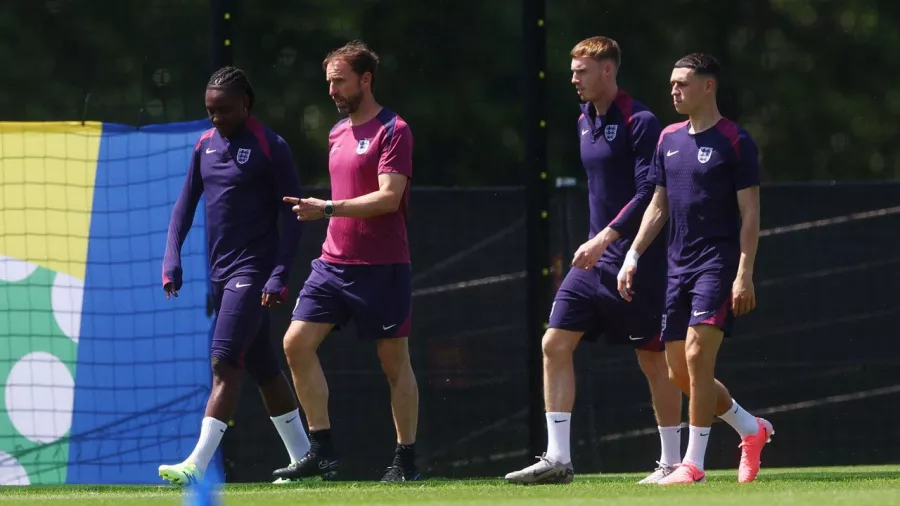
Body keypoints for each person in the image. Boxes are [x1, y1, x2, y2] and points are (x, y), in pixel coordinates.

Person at [504, 36, 683, 486]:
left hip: (635, 260)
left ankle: (672, 462)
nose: (573, 79)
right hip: (592, 263)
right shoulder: (584, 118)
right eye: (572, 71)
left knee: (653, 359)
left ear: (608, 70)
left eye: (582, 71)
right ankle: (558, 458)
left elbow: (648, 195)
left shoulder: (640, 120)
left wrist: (609, 239)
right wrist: (597, 244)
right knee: (554, 344)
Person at [618, 53, 773, 485]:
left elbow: (750, 216)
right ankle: (750, 428)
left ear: (708, 86)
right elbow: (658, 204)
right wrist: (632, 255)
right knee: (679, 372)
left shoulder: (736, 141)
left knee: (697, 356)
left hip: (717, 264)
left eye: (683, 83)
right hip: (676, 267)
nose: (674, 90)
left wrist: (745, 272)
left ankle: (693, 464)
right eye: (671, 83)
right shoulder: (667, 137)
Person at [272, 40, 420, 483]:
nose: (332, 90)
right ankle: (323, 451)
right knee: (295, 344)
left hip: (382, 268)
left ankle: (406, 461)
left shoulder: (395, 129)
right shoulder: (337, 132)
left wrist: (328, 208)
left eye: (339, 81)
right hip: (332, 264)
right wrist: (328, 214)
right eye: (329, 82)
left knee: (394, 364)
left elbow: (389, 198)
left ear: (365, 79)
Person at [158, 67, 310, 486]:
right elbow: (184, 204)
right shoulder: (204, 145)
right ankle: (306, 462)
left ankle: (196, 466)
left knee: (224, 360)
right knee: (262, 366)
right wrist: (172, 258)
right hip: (219, 274)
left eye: (223, 109)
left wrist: (279, 272)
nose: (215, 118)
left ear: (245, 103)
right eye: (210, 110)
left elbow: (293, 216)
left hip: (253, 271)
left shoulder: (270, 146)